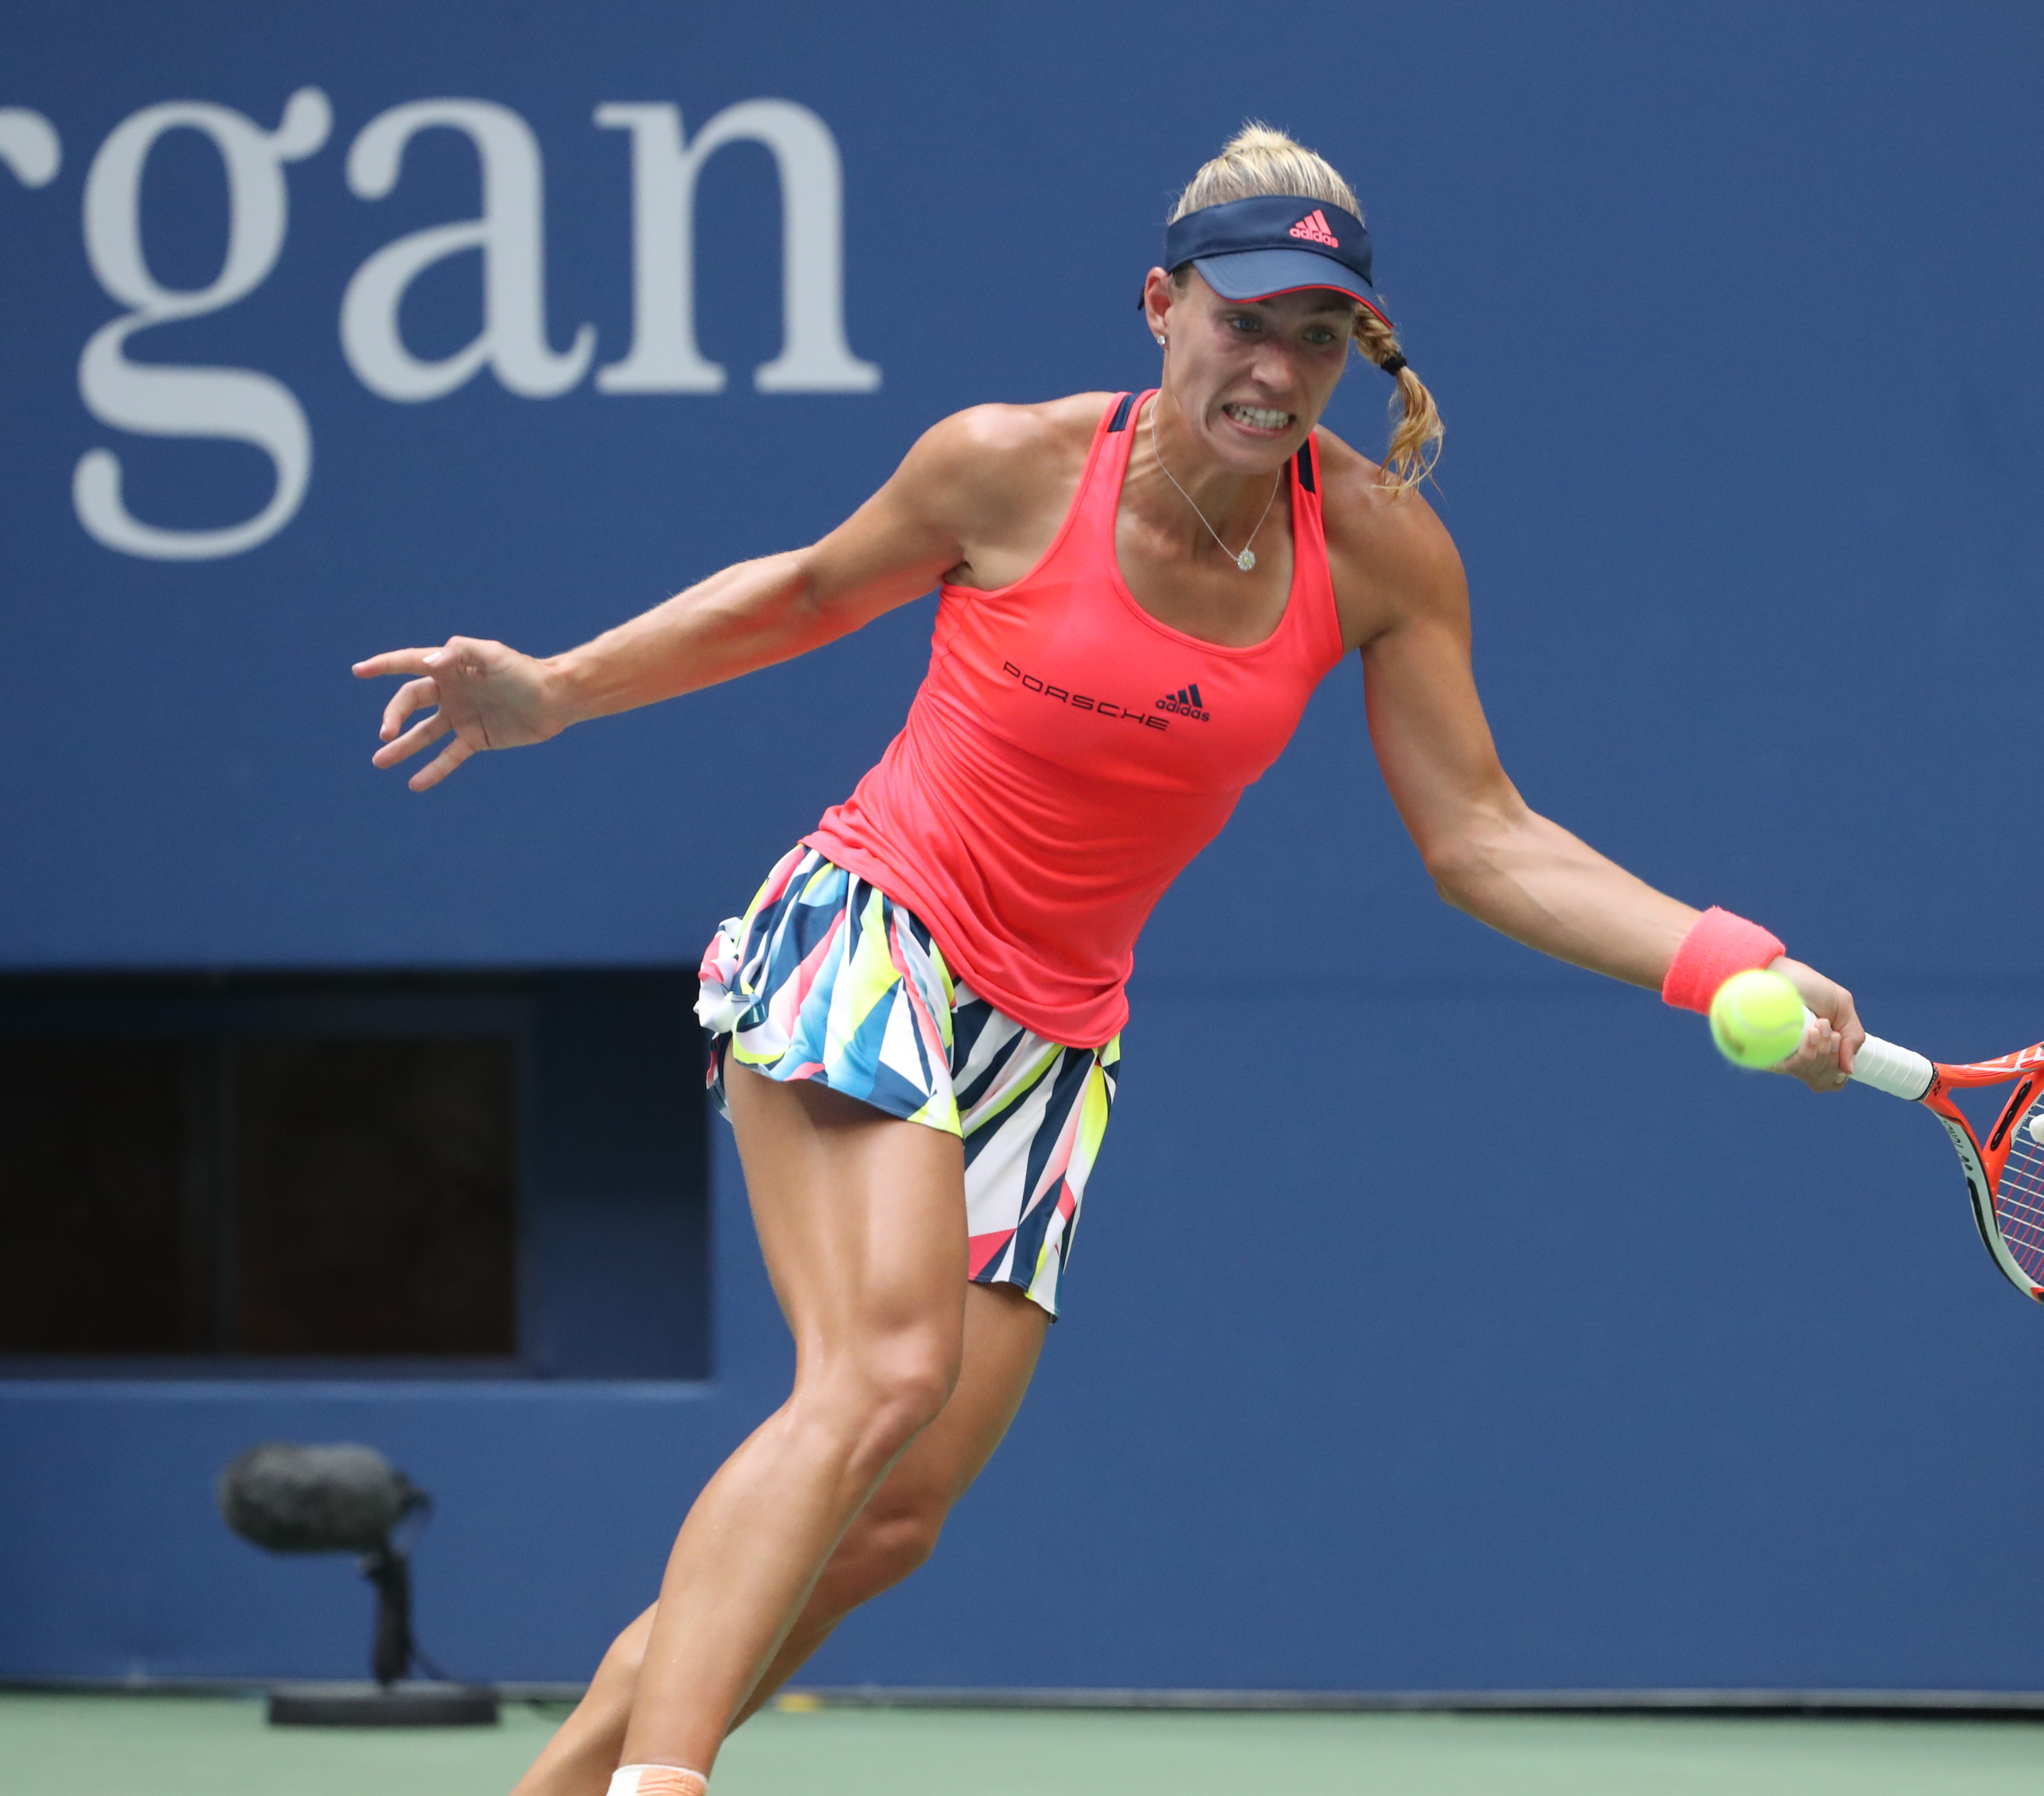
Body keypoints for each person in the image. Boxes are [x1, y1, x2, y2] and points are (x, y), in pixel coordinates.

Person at [355, 126, 1867, 1796]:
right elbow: (797, 595)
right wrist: (560, 688)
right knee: (880, 1373)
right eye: (1244, 320)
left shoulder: (1378, 554)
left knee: (893, 1517)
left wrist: (1735, 958)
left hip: (1051, 1035)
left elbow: (1485, 838)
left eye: (1318, 338)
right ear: (1162, 307)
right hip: (874, 930)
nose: (1277, 367)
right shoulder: (1007, 465)